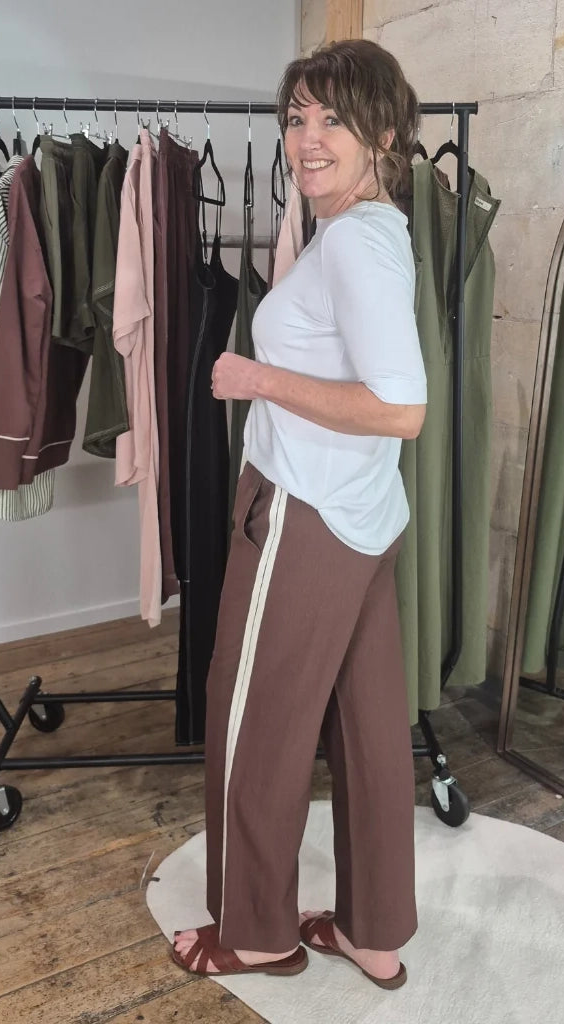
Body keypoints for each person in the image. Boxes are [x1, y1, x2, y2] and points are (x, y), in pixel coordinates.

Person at [172, 38, 426, 991]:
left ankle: (254, 933)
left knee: (255, 719)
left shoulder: (356, 242)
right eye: (297, 118)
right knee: (368, 726)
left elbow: (402, 408)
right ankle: (373, 931)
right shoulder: (374, 230)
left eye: (333, 120)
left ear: (384, 135)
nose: (307, 139)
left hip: (306, 516)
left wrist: (256, 378)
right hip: (360, 513)